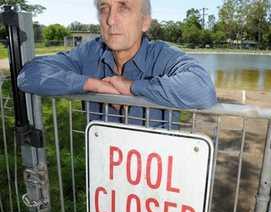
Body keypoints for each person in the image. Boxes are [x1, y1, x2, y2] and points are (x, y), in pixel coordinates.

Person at [18, 0, 217, 126]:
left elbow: (202, 90)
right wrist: (93, 84)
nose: (111, 20)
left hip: (156, 186)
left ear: (145, 22)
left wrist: (131, 87)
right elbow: (29, 75)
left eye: (124, 7)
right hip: (104, 183)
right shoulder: (89, 53)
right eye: (105, 8)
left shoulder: (163, 56)